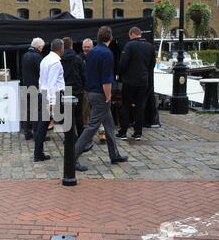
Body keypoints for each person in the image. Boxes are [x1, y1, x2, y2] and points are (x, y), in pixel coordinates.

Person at [74, 26, 128, 171]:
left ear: (97, 38)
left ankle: (114, 154)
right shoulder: (107, 53)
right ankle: (72, 157)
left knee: (109, 125)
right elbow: (106, 79)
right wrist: (108, 96)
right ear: (110, 38)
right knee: (92, 126)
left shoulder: (91, 53)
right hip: (101, 94)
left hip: (91, 92)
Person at [116, 27, 156, 141]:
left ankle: (123, 132)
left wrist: (120, 74)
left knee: (126, 106)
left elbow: (123, 63)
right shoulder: (150, 47)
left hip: (129, 81)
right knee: (139, 107)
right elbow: (152, 65)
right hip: (143, 82)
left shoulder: (129, 45)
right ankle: (138, 133)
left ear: (132, 34)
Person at [34, 39, 65, 162]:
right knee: (65, 121)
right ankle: (78, 146)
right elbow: (52, 83)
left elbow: (41, 80)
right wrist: (52, 102)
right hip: (54, 95)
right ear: (61, 49)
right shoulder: (55, 62)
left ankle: (38, 153)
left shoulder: (45, 59)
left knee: (43, 125)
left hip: (45, 94)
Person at [60, 37, 85, 139]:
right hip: (77, 90)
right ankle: (81, 137)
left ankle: (69, 138)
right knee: (78, 115)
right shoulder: (78, 59)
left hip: (64, 90)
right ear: (71, 45)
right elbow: (84, 75)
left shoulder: (59, 60)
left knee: (66, 116)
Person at [21, 37, 45, 140]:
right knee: (37, 111)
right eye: (42, 47)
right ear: (39, 47)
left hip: (26, 86)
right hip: (35, 86)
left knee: (27, 110)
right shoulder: (37, 57)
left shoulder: (25, 55)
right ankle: (37, 133)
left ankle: (27, 132)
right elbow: (42, 72)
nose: (42, 49)